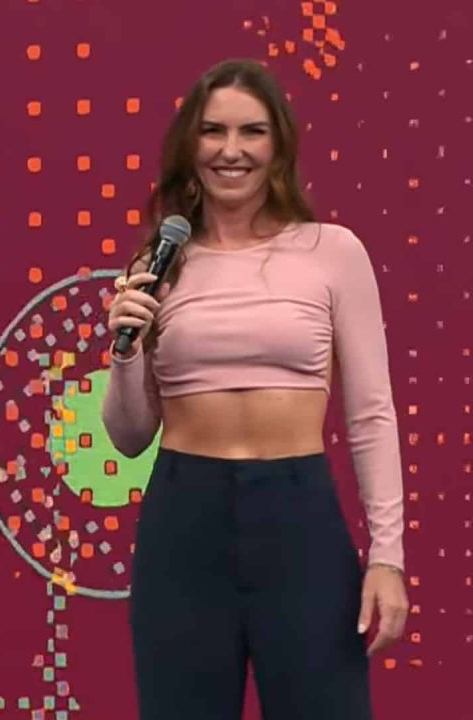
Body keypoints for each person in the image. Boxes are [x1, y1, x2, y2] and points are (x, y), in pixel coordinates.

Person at [100, 58, 408, 719]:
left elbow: (371, 416)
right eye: (212, 131)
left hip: (299, 520)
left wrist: (388, 557)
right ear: (190, 145)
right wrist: (123, 353)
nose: (230, 151)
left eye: (251, 132)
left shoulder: (333, 251)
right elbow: (127, 439)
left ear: (280, 145)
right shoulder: (158, 262)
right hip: (183, 522)